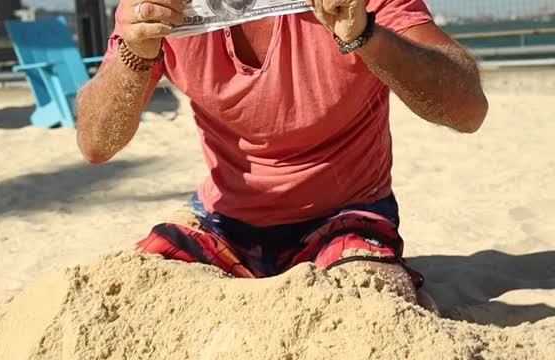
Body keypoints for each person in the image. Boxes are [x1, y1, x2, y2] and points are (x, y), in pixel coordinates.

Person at [75, 0, 488, 304]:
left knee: (372, 306)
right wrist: (134, 52)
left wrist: (366, 35)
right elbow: (95, 143)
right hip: (222, 220)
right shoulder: (162, 8)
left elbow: (468, 109)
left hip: (345, 213)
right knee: (120, 299)